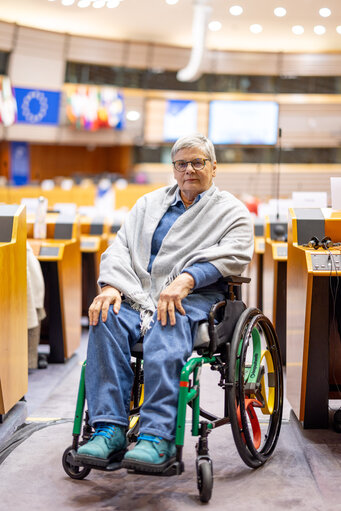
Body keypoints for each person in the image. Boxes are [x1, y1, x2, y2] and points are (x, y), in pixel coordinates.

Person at [77, 134, 254, 471]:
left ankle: (157, 436)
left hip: (197, 298)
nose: (189, 169)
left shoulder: (231, 211)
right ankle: (109, 429)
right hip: (139, 294)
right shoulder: (148, 204)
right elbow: (120, 247)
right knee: (105, 316)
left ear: (213, 167)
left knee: (167, 323)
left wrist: (187, 279)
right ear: (173, 170)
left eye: (198, 162)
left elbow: (237, 251)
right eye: (181, 164)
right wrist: (112, 286)